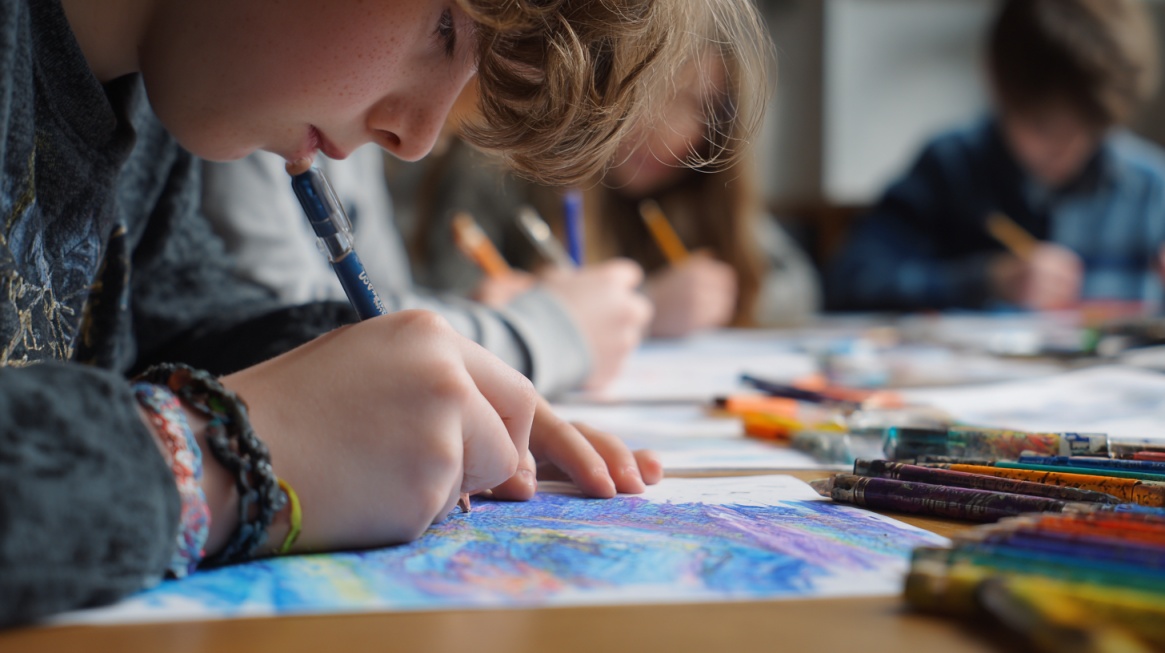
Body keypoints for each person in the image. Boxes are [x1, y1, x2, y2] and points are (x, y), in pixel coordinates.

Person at [0, 0, 770, 628]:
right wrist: (221, 451)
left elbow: (184, 322)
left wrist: (401, 376)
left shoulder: (152, 121)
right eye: (443, 27)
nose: (417, 139)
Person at [400, 55, 819, 339]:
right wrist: (644, 309)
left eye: (698, 105)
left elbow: (797, 286)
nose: (665, 131)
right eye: (651, 94)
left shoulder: (688, 191)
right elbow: (439, 317)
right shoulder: (496, 164)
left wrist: (728, 296)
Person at [201, 146, 652, 394]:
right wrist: (537, 334)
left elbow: (384, 300)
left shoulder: (345, 139)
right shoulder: (267, 117)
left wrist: (460, 315)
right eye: (443, 34)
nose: (419, 141)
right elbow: (281, 325)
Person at [827, 0, 1165, 313]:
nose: (1068, 148)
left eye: (1090, 129)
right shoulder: (950, 166)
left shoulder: (1151, 188)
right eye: (1042, 127)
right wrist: (988, 280)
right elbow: (850, 281)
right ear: (995, 83)